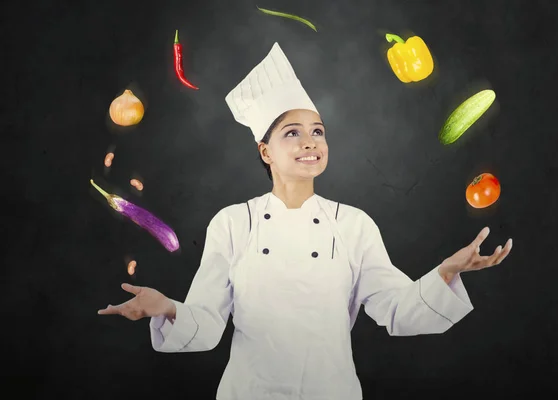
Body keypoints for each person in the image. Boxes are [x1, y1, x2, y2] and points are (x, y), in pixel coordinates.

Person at [98, 42, 513, 400]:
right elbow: (206, 324)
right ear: (265, 152)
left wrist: (445, 272)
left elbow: (396, 310)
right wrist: (167, 308)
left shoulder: (353, 225)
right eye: (292, 133)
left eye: (318, 131)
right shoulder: (232, 223)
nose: (310, 141)